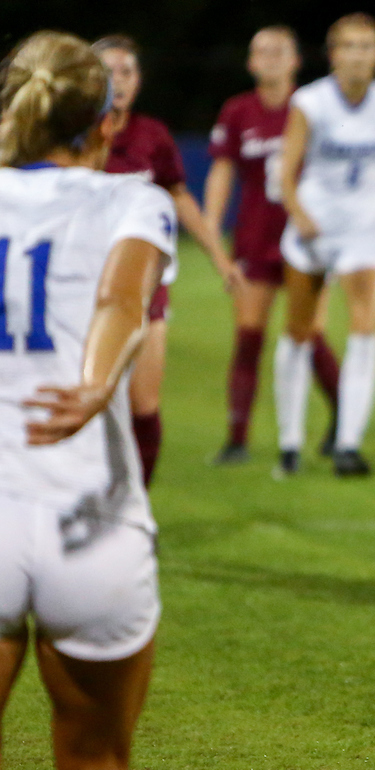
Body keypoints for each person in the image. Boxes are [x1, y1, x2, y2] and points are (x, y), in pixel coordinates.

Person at [0, 30, 175, 770]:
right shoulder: (133, 197)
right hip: (92, 520)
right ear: (107, 122)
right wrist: (99, 380)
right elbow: (123, 298)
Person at [276, 12, 375, 478]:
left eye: (367, 46)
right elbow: (286, 171)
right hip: (313, 227)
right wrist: (300, 215)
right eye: (349, 46)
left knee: (364, 329)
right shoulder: (310, 102)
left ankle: (348, 443)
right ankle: (289, 443)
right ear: (332, 54)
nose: (359, 55)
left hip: (365, 228)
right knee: (299, 331)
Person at [93, 34, 240, 486]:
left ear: (139, 80)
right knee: (90, 400)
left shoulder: (151, 135)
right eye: (108, 72)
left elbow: (179, 195)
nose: (118, 81)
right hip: (84, 283)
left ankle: (137, 509)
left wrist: (221, 258)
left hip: (144, 284)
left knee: (144, 406)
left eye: (127, 72)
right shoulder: (70, 136)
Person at [204, 25, 341, 465]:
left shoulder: (314, 108)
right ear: (251, 62)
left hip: (307, 238)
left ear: (295, 60)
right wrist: (211, 227)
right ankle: (237, 439)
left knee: (309, 335)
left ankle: (345, 421)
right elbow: (222, 171)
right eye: (262, 51)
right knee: (248, 335)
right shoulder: (238, 111)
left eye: (280, 50)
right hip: (255, 239)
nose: (271, 58)